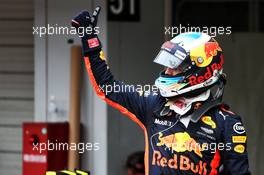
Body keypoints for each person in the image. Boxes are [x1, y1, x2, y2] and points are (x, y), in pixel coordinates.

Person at [71, 7, 251, 175]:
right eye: (167, 66)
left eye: (176, 68)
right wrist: (90, 39)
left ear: (201, 72)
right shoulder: (153, 105)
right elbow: (107, 87)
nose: (167, 72)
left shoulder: (227, 123)